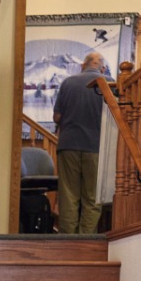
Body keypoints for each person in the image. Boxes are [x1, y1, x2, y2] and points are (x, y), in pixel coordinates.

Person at [53, 51, 106, 234]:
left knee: (68, 196)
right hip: (96, 147)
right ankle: (86, 242)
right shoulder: (107, 84)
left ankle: (67, 242)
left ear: (83, 65)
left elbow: (57, 116)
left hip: (68, 145)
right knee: (92, 198)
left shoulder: (68, 82)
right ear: (103, 68)